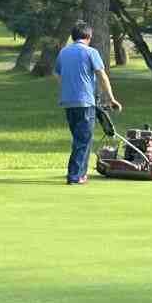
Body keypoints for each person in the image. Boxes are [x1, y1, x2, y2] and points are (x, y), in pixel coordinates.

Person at [54, 22, 122, 185]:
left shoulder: (64, 52)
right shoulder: (91, 52)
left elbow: (57, 74)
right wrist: (111, 99)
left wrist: (67, 86)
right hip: (85, 102)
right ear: (89, 37)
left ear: (73, 37)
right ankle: (75, 176)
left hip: (68, 102)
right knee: (83, 140)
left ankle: (80, 174)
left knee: (79, 139)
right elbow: (102, 75)